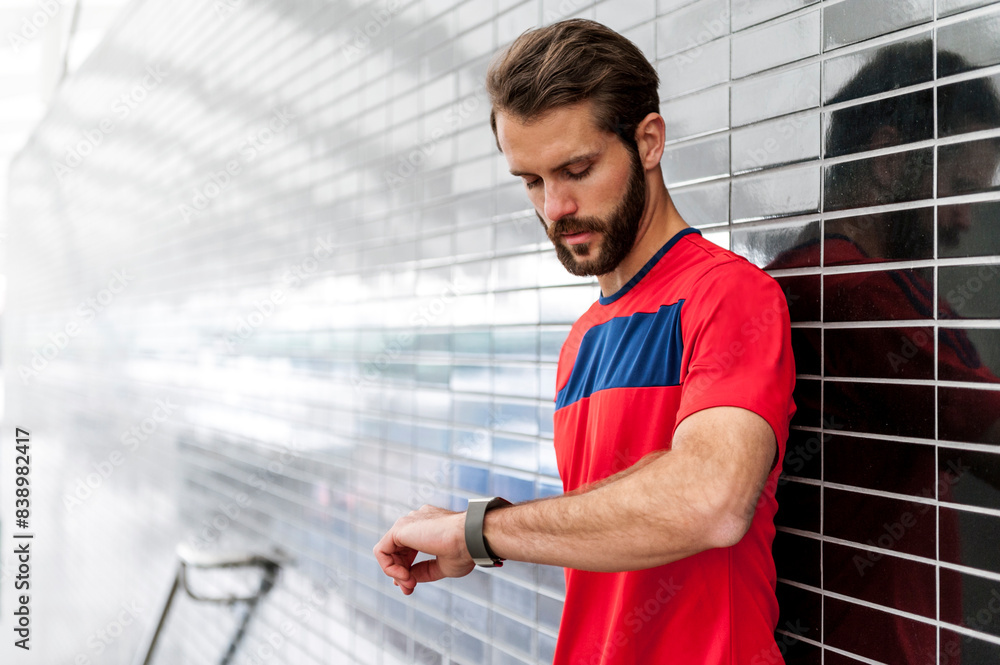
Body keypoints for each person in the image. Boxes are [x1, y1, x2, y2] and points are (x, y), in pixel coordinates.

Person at [374, 19, 796, 665]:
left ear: (648, 141)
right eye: (532, 180)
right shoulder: (583, 338)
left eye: (576, 169)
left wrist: (481, 530)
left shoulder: (728, 295)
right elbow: (609, 522)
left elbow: (709, 500)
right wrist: (475, 535)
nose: (555, 207)